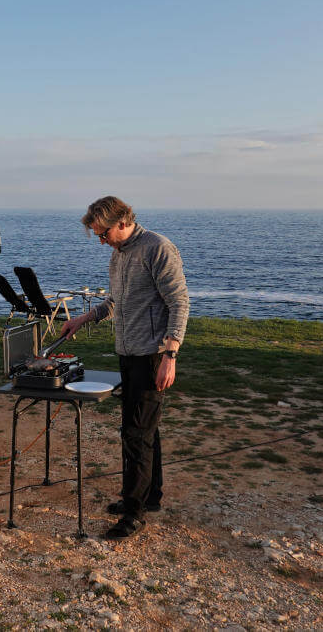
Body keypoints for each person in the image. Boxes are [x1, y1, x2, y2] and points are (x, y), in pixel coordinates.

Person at [61, 196, 189, 540]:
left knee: (137, 434)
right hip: (127, 354)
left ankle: (133, 514)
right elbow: (116, 302)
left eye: (103, 234)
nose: (101, 241)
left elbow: (179, 302)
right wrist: (84, 318)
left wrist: (170, 355)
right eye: (97, 236)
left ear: (121, 222)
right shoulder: (118, 255)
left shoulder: (158, 248)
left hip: (152, 356)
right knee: (144, 430)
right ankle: (150, 497)